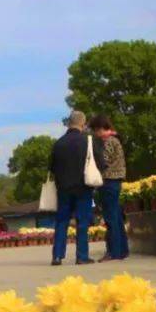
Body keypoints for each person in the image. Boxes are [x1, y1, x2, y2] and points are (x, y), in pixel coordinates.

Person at [49, 110, 96, 266]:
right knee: (82, 221)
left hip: (63, 188)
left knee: (62, 221)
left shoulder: (58, 143)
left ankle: (57, 256)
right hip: (83, 187)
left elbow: (52, 167)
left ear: (69, 123)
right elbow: (99, 163)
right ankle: (81, 256)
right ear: (83, 123)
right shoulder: (87, 142)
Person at [90, 114, 129, 262]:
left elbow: (103, 161)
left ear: (101, 128)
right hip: (116, 181)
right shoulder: (116, 139)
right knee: (117, 217)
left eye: (95, 130)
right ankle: (122, 250)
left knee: (110, 217)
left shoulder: (108, 142)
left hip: (108, 181)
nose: (95, 133)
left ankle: (113, 252)